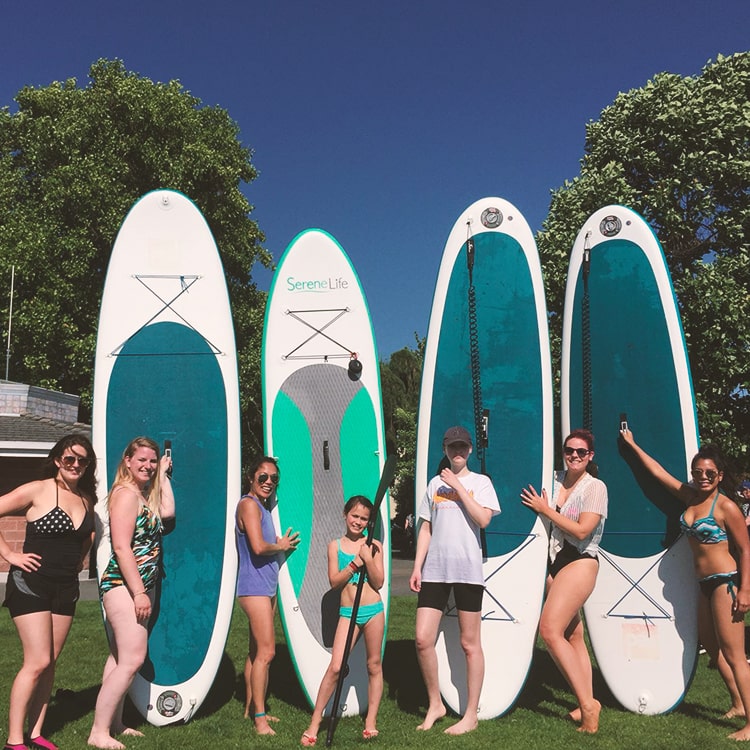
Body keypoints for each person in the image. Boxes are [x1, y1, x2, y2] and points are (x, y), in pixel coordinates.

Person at [620, 429, 750, 741]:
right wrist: (633, 445)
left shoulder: (726, 507)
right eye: (697, 472)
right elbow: (657, 473)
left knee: (734, 654)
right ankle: (737, 703)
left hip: (726, 583)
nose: (702, 477)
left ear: (719, 476)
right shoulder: (691, 497)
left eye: (709, 473)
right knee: (712, 646)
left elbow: (745, 549)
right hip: (704, 583)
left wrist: (745, 590)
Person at [1, 434, 97, 750]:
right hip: (31, 584)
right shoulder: (39, 489)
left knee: (51, 661)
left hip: (66, 588)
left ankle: (36, 732)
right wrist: (11, 555)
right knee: (37, 661)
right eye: (69, 458)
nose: (75, 464)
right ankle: (15, 741)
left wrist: (79, 560)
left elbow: (86, 538)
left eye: (81, 460)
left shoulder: (86, 499)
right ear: (57, 460)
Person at [409, 426, 500, 735]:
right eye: (452, 447)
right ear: (445, 449)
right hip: (434, 570)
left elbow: (484, 519)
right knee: (422, 639)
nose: (457, 451)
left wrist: (459, 488)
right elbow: (426, 528)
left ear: (470, 449)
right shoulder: (434, 483)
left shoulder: (481, 483)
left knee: (469, 643)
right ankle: (435, 703)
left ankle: (470, 714)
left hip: (467, 572)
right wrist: (417, 566)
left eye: (462, 446)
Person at [87, 437, 174, 750]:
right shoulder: (125, 494)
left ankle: (114, 723)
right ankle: (98, 732)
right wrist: (139, 592)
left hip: (135, 585)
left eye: (152, 460)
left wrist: (163, 474)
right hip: (124, 586)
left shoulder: (140, 493)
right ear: (127, 461)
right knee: (133, 659)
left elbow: (168, 511)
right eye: (142, 460)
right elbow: (121, 547)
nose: (147, 466)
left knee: (120, 657)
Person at [520, 428, 607, 734]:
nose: (574, 456)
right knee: (572, 636)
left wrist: (546, 510)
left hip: (581, 561)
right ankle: (587, 701)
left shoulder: (595, 487)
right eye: (569, 450)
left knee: (549, 630)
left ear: (590, 456)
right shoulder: (554, 479)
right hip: (555, 563)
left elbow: (583, 531)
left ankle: (588, 708)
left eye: (581, 452)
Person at [300, 495, 385, 746]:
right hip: (348, 613)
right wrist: (355, 563)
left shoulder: (375, 545)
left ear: (369, 523)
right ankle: (315, 722)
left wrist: (368, 559)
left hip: (373, 610)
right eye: (354, 516)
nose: (358, 522)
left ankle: (371, 721)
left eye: (364, 519)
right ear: (345, 515)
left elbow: (378, 582)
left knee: (374, 665)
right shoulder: (334, 545)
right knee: (336, 667)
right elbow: (334, 582)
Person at [236, 456, 299, 736]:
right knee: (267, 652)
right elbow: (259, 547)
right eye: (263, 477)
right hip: (254, 587)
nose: (269, 482)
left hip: (265, 586)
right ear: (251, 477)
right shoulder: (249, 505)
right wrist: (281, 545)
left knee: (255, 652)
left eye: (274, 479)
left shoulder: (261, 507)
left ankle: (251, 708)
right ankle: (260, 720)